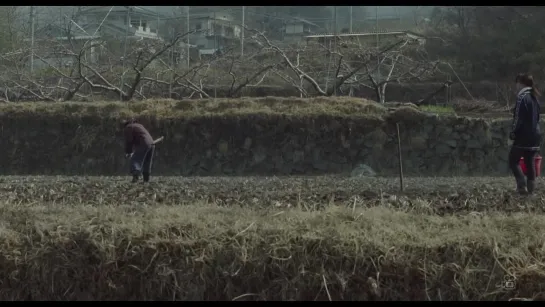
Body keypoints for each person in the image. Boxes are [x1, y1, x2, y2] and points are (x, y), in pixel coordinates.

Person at [509, 73, 542, 195]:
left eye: (517, 83)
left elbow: (518, 118)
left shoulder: (522, 97)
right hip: (535, 134)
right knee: (530, 161)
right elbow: (537, 117)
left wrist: (513, 132)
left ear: (521, 83)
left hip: (523, 135)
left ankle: (521, 186)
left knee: (513, 160)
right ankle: (531, 191)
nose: (516, 86)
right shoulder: (535, 97)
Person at [122, 119, 155, 183]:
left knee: (135, 159)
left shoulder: (128, 128)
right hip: (151, 143)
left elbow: (129, 141)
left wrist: (128, 152)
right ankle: (146, 179)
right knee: (147, 161)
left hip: (144, 143)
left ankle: (135, 177)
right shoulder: (139, 125)